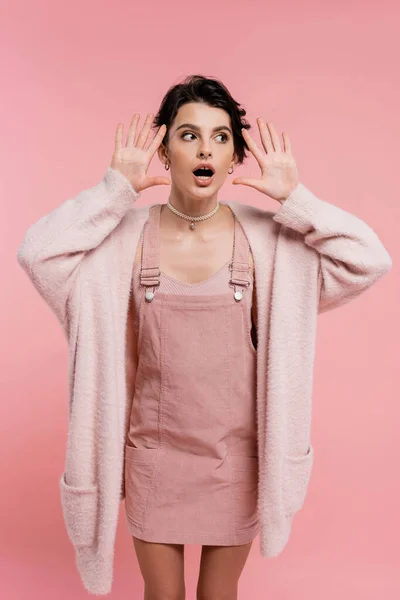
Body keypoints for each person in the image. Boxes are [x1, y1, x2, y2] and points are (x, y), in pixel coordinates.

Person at [16, 75, 392, 598]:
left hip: (236, 463)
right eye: (189, 135)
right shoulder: (120, 240)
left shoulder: (270, 241)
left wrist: (297, 199)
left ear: (236, 155)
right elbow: (37, 254)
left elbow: (370, 259)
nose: (205, 149)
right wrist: (112, 193)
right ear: (164, 149)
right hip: (153, 459)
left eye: (220, 137)